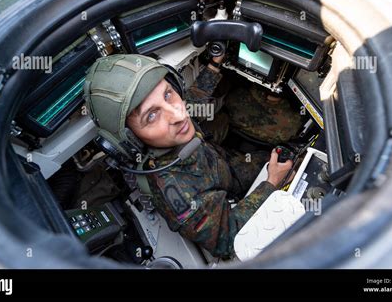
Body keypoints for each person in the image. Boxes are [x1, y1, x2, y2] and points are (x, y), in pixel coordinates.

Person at [84, 54, 295, 258]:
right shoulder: (175, 191)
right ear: (132, 139)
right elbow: (229, 238)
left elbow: (191, 100)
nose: (179, 113)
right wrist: (271, 184)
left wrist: (213, 65)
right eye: (152, 115)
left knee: (274, 154)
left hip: (223, 163)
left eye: (168, 94)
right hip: (227, 190)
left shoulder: (173, 123)